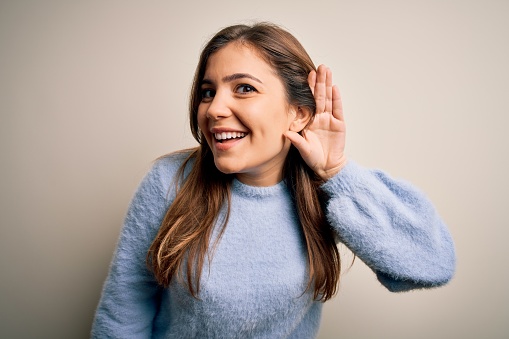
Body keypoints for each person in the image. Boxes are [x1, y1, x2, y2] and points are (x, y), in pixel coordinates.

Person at [91, 22, 456, 338]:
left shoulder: (325, 192)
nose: (215, 108)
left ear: (297, 114)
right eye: (208, 91)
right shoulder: (170, 180)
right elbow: (126, 302)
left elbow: (430, 264)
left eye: (244, 88)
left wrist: (337, 173)